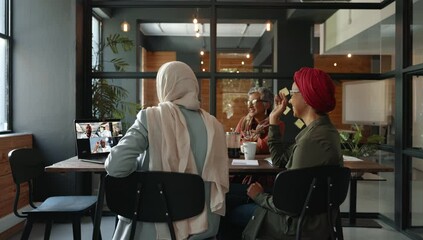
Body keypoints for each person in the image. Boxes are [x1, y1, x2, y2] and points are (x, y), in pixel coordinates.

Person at [105, 61, 229, 240]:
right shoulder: (215, 126)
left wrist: (142, 164)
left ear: (164, 85)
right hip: (202, 230)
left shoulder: (150, 117)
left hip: (150, 227)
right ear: (193, 85)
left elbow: (115, 167)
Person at [231, 67, 343, 240]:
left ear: (307, 96)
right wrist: (274, 122)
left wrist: (259, 197)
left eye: (293, 93)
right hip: (311, 217)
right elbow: (279, 160)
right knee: (232, 194)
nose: (289, 100)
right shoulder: (321, 132)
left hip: (296, 223)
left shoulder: (312, 141)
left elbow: (288, 204)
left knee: (229, 212)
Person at [235, 87, 285, 154]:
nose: (250, 106)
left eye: (254, 102)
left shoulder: (277, 124)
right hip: (243, 162)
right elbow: (234, 143)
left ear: (266, 105)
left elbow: (264, 148)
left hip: (265, 163)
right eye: (249, 102)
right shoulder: (243, 121)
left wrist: (244, 144)